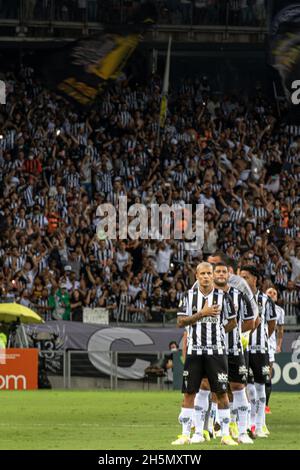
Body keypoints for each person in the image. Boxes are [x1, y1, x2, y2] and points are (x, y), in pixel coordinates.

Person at [172, 262, 237, 446]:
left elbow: (232, 322)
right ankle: (187, 435)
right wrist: (202, 314)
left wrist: (218, 334)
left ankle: (225, 435)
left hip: (216, 352)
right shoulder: (189, 296)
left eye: (209, 273)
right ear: (197, 276)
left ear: (212, 276)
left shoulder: (223, 297)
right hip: (194, 352)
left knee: (222, 392)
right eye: (203, 273)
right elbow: (180, 322)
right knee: (189, 393)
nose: (207, 276)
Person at [213, 262, 255, 444]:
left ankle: (243, 432)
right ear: (214, 274)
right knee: (217, 391)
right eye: (218, 271)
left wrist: (236, 334)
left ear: (229, 274)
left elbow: (249, 321)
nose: (221, 274)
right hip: (214, 350)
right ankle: (220, 430)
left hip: (234, 349)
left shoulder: (239, 295)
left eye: (224, 271)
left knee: (239, 388)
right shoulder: (205, 296)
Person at [240, 265, 277, 438]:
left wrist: (261, 337)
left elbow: (271, 324)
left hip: (260, 350)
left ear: (255, 279)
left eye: (245, 277)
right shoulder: (237, 298)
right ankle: (248, 423)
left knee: (261, 387)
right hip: (243, 349)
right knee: (247, 389)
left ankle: (260, 425)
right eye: (240, 277)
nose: (242, 280)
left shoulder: (265, 300)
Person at [265, 287, 285, 416]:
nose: (272, 294)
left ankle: (265, 405)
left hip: (270, 346)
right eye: (269, 292)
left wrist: (279, 344)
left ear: (276, 297)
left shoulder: (280, 311)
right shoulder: (257, 306)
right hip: (256, 345)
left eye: (274, 293)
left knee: (267, 376)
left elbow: (280, 330)